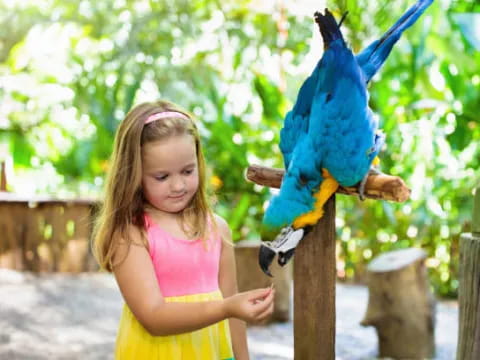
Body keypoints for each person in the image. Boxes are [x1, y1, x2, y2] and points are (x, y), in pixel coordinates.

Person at [92, 100, 275, 359]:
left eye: (187, 171)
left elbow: (233, 312)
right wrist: (226, 308)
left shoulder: (217, 229)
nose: (178, 185)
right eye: (162, 177)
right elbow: (154, 317)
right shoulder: (131, 234)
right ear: (134, 174)